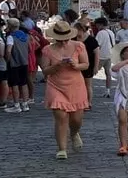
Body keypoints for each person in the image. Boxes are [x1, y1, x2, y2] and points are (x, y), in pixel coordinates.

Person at [40, 19, 89, 160]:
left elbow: (86, 64)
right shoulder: (48, 50)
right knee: (61, 117)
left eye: (66, 39)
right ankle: (62, 149)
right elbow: (45, 71)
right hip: (56, 85)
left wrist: (76, 65)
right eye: (60, 40)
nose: (64, 42)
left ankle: (74, 133)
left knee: (76, 119)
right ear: (55, 37)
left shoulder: (79, 46)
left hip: (76, 85)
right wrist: (57, 66)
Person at [3, 18, 31, 113]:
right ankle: (25, 104)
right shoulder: (26, 36)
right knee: (24, 83)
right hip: (24, 62)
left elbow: (8, 50)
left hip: (14, 64)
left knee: (14, 84)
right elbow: (30, 49)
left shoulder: (11, 37)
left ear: (10, 26)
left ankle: (16, 105)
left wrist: (8, 60)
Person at [75, 22, 99, 110]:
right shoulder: (74, 39)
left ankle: (88, 102)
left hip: (89, 64)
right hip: (76, 65)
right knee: (77, 84)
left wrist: (96, 66)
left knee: (87, 84)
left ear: (81, 30)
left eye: (77, 30)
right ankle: (79, 101)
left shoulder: (91, 40)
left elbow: (97, 53)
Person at [94, 17, 116, 97]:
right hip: (109, 55)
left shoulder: (100, 33)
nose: (96, 27)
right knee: (108, 74)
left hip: (101, 56)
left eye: (97, 25)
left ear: (100, 24)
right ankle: (108, 91)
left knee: (91, 73)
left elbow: (97, 46)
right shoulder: (111, 32)